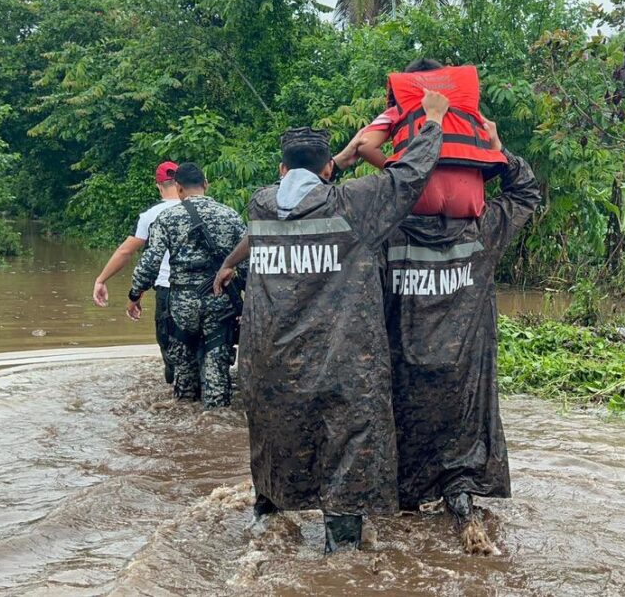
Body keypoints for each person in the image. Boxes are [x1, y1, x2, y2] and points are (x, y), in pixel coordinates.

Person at [221, 90, 449, 554]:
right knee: (348, 450)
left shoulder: (260, 204)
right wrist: (433, 122)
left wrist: (334, 165)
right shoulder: (352, 206)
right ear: (328, 170)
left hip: (269, 363)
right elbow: (408, 176)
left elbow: (301, 192)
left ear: (282, 171)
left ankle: (266, 527)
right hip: (339, 365)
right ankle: (339, 561)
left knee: (275, 443)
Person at [383, 119, 541, 552]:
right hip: (464, 380)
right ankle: (465, 511)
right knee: (461, 468)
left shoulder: (388, 234)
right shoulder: (483, 230)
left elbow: (346, 206)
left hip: (405, 378)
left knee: (403, 489)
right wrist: (497, 146)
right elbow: (526, 192)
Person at [127, 163, 245, 408]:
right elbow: (245, 265)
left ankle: (184, 413)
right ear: (206, 184)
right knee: (217, 370)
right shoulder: (230, 215)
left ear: (178, 189)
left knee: (184, 372)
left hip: (182, 306)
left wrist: (135, 293)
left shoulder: (166, 218)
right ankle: (214, 419)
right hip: (219, 301)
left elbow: (150, 263)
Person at [345, 58, 505, 219]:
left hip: (418, 197)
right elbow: (493, 148)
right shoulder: (468, 111)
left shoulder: (398, 109)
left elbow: (364, 145)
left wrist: (400, 172)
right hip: (468, 200)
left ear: (408, 83)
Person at [93, 161, 180, 384]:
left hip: (168, 291)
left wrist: (102, 280)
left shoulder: (151, 216)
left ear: (159, 185)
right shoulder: (205, 210)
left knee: (172, 357)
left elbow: (127, 252)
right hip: (208, 290)